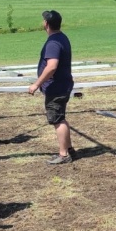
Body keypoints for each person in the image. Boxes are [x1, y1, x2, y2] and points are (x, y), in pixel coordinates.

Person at [28, 9, 77, 164]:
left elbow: (51, 67)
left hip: (56, 88)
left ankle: (64, 155)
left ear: (46, 24)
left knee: (57, 120)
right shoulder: (62, 37)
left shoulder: (53, 43)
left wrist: (37, 84)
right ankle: (69, 149)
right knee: (60, 118)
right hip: (62, 85)